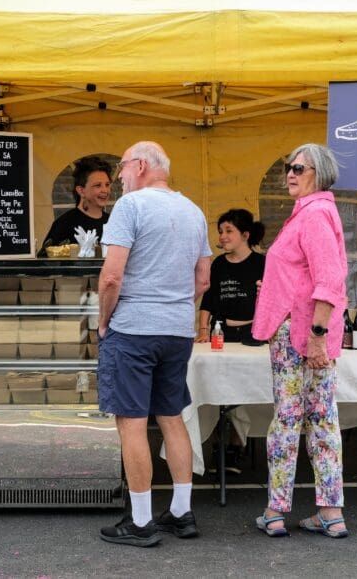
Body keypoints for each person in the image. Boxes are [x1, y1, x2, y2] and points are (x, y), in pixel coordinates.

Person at [96, 141, 212, 547]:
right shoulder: (193, 210)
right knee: (171, 416)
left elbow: (111, 277)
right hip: (177, 330)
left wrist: (104, 321)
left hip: (134, 328)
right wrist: (176, 307)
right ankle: (182, 512)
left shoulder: (131, 207)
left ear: (141, 165)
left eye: (122, 167)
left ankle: (141, 521)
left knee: (130, 422)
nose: (120, 176)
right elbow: (203, 280)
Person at [251, 143, 350, 539]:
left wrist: (317, 336)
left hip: (302, 336)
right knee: (321, 420)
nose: (289, 174)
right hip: (305, 333)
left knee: (291, 421)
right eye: (287, 167)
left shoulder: (314, 215)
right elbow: (310, 275)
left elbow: (330, 280)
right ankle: (330, 512)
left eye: (298, 168)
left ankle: (276, 511)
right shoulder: (310, 214)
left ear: (319, 174)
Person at [195, 208, 266, 344]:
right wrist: (203, 330)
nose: (222, 236)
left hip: (254, 334)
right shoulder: (218, 263)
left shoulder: (262, 263)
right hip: (220, 333)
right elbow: (208, 300)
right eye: (221, 232)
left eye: (229, 231)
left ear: (245, 235)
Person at [37, 156, 113, 256]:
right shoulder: (64, 224)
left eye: (107, 185)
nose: (105, 190)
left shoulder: (113, 223)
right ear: (81, 191)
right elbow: (45, 264)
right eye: (98, 185)